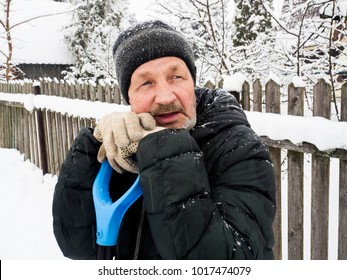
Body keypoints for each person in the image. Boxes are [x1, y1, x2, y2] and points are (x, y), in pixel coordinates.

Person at [52, 20, 276, 260]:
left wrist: (162, 148)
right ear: (129, 97)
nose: (166, 97)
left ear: (193, 83)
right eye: (146, 83)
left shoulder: (238, 148)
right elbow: (76, 246)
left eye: (176, 76)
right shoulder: (122, 150)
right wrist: (91, 149)